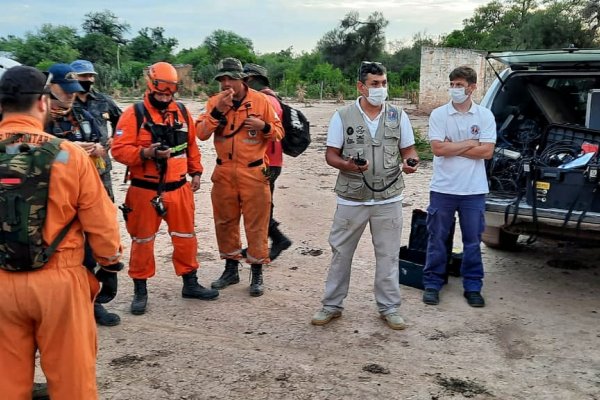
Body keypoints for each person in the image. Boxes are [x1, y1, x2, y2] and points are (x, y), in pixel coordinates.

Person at [0, 65, 122, 399]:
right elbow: (102, 223)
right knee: (72, 381)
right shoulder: (69, 155)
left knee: (5, 382)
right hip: (59, 283)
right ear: (42, 102)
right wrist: (109, 263)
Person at [311, 61, 419, 330]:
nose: (381, 89)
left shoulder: (398, 116)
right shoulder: (343, 116)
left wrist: (411, 163)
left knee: (388, 255)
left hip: (389, 199)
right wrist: (347, 165)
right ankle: (332, 306)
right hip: (352, 198)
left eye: (383, 83)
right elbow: (331, 155)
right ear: (361, 86)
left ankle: (389, 308)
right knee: (341, 253)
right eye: (375, 84)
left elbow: (410, 151)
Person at [112, 61, 218, 315]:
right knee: (143, 240)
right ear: (150, 87)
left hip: (179, 188)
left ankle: (190, 283)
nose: (164, 97)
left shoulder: (181, 112)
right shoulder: (133, 114)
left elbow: (191, 145)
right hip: (144, 190)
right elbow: (118, 150)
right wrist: (146, 153)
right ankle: (140, 289)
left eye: (168, 93)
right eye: (160, 92)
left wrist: (196, 172)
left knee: (186, 237)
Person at [196, 57, 284, 297]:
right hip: (224, 172)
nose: (226, 84)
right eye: (222, 79)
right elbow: (201, 134)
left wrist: (262, 125)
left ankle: (256, 273)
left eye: (231, 79)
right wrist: (217, 112)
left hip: (254, 172)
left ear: (243, 80)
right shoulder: (214, 102)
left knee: (256, 225)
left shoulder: (261, 101)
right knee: (225, 223)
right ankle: (230, 269)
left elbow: (278, 132)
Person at [44, 63, 121, 327]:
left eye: (72, 92)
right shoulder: (38, 119)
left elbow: (108, 136)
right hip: (54, 198)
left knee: (88, 245)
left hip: (91, 185)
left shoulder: (85, 115)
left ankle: (92, 302)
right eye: (64, 92)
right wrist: (71, 149)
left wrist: (99, 147)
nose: (70, 96)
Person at [422, 65, 496, 308]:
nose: (454, 89)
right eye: (452, 85)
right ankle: (433, 283)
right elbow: (437, 149)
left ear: (472, 88)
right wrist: (469, 143)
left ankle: (473, 286)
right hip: (443, 188)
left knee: (472, 241)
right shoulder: (439, 115)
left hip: (473, 191)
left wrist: (453, 146)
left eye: (460, 86)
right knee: (437, 238)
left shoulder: (484, 116)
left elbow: (486, 152)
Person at [242, 63, 292, 261]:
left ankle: (278, 239)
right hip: (273, 160)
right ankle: (259, 244)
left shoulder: (264, 100)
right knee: (261, 205)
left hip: (266, 161)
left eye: (245, 81)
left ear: (253, 80)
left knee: (259, 206)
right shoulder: (274, 98)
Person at [71, 59, 123, 201]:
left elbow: (122, 121)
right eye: (83, 76)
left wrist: (115, 137)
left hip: (101, 161)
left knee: (105, 200)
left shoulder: (103, 100)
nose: (88, 79)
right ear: (73, 77)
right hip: (74, 163)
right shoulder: (66, 102)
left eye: (90, 76)